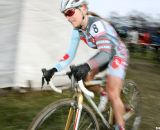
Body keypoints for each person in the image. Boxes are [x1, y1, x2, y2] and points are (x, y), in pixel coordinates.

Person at [43, 0, 128, 130]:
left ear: (83, 8)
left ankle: (120, 126)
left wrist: (87, 66)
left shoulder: (95, 24)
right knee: (85, 77)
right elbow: (69, 55)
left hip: (117, 53)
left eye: (70, 12)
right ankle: (102, 94)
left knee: (113, 93)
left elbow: (106, 53)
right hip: (105, 52)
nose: (68, 18)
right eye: (65, 14)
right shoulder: (77, 31)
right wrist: (53, 69)